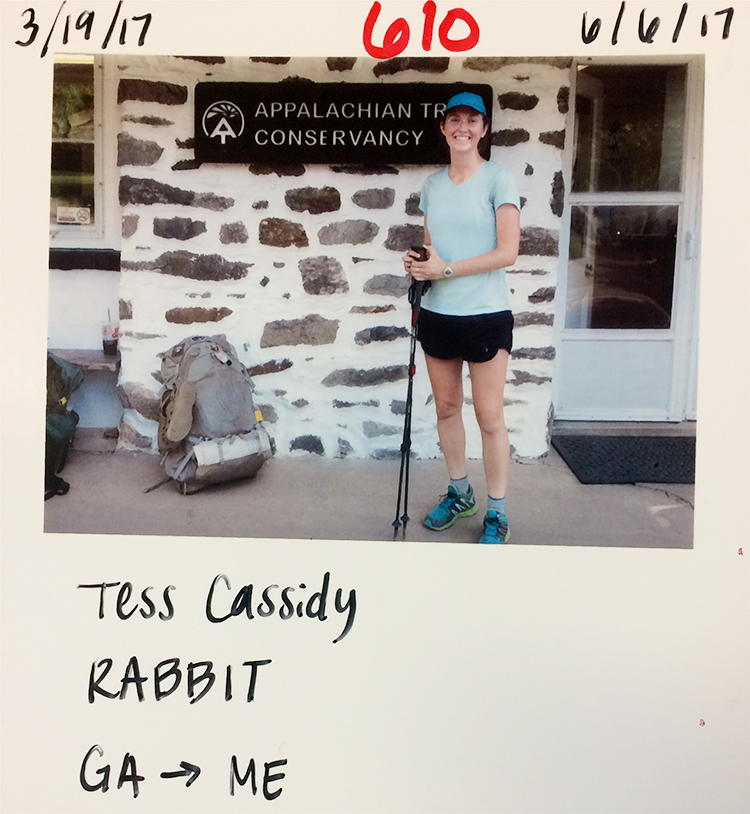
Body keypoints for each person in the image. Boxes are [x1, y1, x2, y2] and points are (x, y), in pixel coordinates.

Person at [404, 91, 521, 544]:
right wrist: (419, 265)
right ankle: (459, 493)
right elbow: (433, 250)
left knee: (490, 417)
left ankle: (496, 512)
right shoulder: (432, 185)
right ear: (443, 127)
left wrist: (446, 269)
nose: (463, 127)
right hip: (438, 314)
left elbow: (508, 252)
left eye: (473, 120)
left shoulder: (499, 179)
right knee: (448, 410)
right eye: (455, 119)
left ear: (484, 129)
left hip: (486, 315)